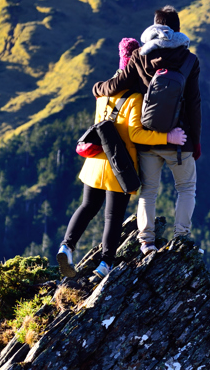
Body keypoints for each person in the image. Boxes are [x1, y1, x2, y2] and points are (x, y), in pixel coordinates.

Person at [57, 40, 187, 279]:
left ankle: (66, 246)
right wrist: (168, 136)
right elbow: (135, 134)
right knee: (113, 217)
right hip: (120, 166)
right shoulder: (135, 98)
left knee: (87, 207)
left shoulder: (103, 94)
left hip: (95, 162)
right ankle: (105, 264)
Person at [92, 6, 201, 253]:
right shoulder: (190, 60)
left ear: (154, 26)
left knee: (149, 191)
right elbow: (194, 104)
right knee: (186, 189)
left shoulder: (140, 56)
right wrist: (196, 141)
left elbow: (116, 85)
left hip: (147, 137)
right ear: (177, 29)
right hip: (179, 139)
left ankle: (146, 241)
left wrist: (97, 88)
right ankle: (181, 238)